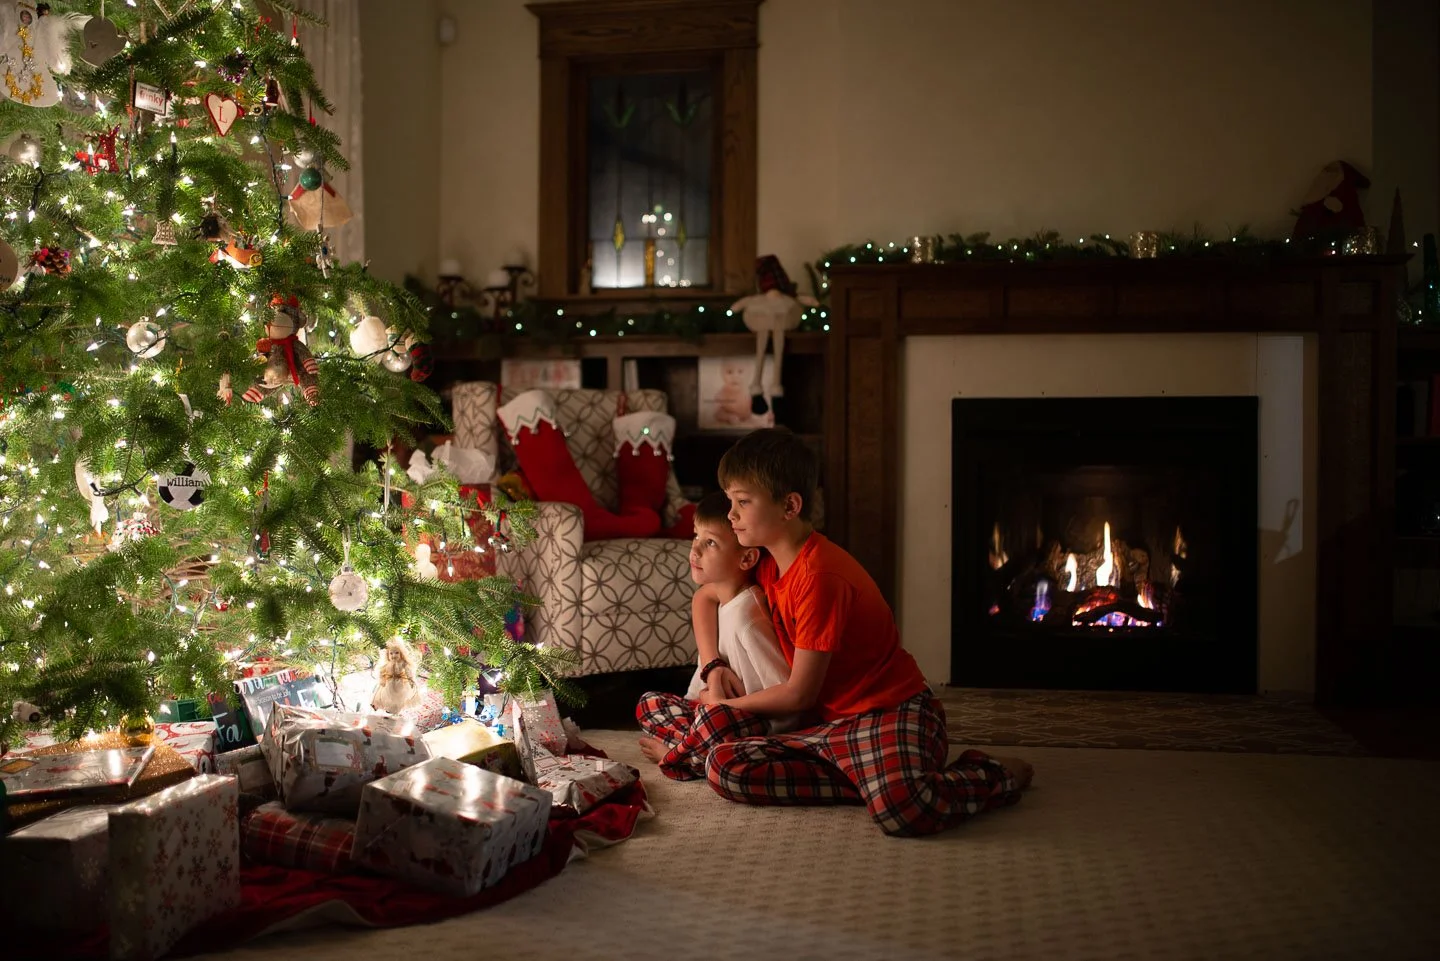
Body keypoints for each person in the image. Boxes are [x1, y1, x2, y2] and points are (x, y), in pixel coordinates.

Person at [672, 427, 1034, 837]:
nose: (731, 514)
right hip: (826, 725)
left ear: (789, 506)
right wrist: (713, 666)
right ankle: (868, 780)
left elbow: (798, 694)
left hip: (891, 711)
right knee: (725, 767)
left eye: (742, 502)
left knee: (903, 811)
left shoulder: (820, 576)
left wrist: (719, 708)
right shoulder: (766, 560)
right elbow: (706, 597)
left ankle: (991, 774)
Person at [636, 493, 798, 778]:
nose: (694, 551)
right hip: (712, 715)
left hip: (755, 727)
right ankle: (696, 749)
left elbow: (785, 700)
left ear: (746, 558)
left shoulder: (747, 617)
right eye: (696, 537)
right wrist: (702, 706)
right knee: (648, 703)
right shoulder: (718, 603)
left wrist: (716, 706)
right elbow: (699, 693)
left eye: (710, 543)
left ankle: (681, 758)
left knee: (713, 720)